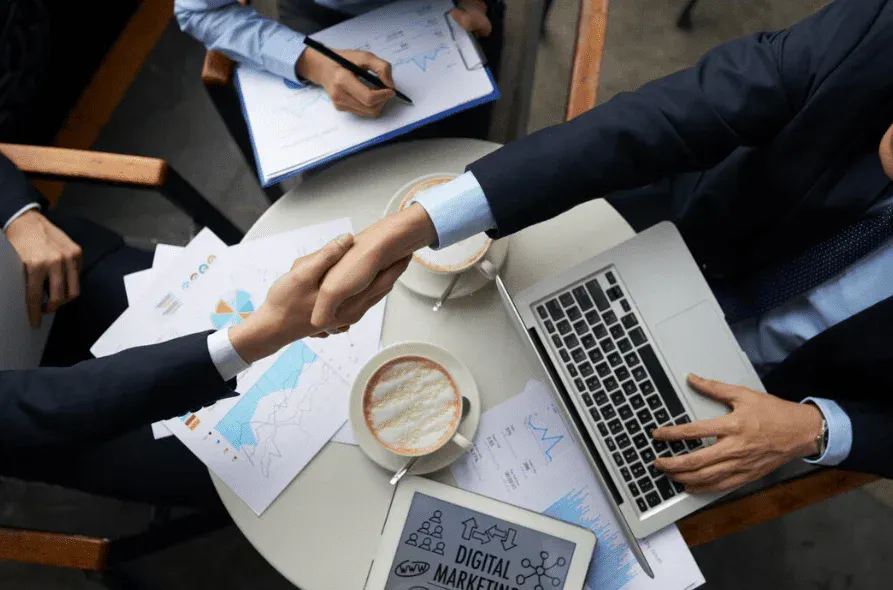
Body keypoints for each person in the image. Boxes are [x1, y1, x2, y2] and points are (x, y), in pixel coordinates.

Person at [308, 0, 893, 491]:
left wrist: (819, 430)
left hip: (770, 401)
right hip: (657, 246)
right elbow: (664, 120)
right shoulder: (879, 32)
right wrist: (423, 221)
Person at [0, 153, 401, 508]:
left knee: (377, 331)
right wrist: (256, 335)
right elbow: (40, 404)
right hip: (37, 426)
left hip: (44, 270)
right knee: (272, 473)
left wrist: (17, 215)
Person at [174, 0, 503, 135]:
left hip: (450, 11)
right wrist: (309, 61)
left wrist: (476, 2)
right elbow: (200, 10)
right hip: (322, 15)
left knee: (468, 151)